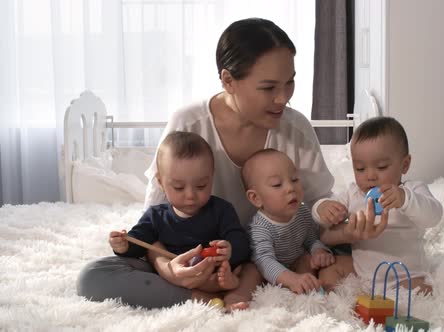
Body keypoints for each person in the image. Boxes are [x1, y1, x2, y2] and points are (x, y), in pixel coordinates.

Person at [78, 17, 361, 310]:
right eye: (268, 87)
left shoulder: (297, 130)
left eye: (290, 82)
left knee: (356, 258)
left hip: (270, 256)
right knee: (94, 277)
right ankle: (201, 298)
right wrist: (168, 269)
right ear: (228, 81)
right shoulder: (188, 123)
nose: (283, 98)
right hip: (196, 258)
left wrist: (339, 232)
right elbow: (156, 218)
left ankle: (248, 285)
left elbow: (319, 215)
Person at [109, 131, 251, 301]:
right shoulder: (156, 216)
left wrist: (230, 250)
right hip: (174, 278)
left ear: (211, 178)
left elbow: (242, 243)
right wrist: (123, 246)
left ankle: (229, 290)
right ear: (161, 183)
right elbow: (138, 242)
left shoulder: (222, 210)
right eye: (178, 187)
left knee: (251, 268)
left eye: (201, 185)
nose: (190, 195)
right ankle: (201, 294)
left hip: (215, 274)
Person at [313, 116, 443, 294]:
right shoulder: (352, 194)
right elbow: (323, 231)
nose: (370, 176)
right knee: (329, 270)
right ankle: (340, 306)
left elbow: (434, 216)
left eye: (381, 167)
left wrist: (405, 199)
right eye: (360, 168)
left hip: (404, 275)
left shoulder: (410, 191)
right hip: (361, 272)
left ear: (404, 165)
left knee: (421, 291)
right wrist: (322, 208)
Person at [241, 149, 334, 294]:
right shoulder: (260, 227)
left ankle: (307, 291)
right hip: (271, 274)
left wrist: (319, 251)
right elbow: (265, 261)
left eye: (295, 179)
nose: (290, 188)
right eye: (277, 185)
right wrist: (291, 279)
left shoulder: (302, 212)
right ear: (256, 198)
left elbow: (311, 239)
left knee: (308, 259)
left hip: (297, 265)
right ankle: (236, 301)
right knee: (250, 271)